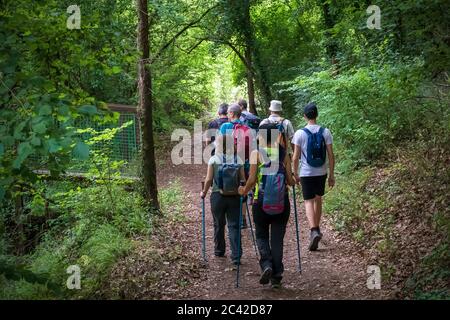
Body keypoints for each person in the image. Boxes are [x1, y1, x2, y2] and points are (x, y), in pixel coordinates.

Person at [238, 123, 296, 289]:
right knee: (277, 240)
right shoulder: (284, 153)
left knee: (262, 236)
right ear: (277, 136)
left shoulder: (257, 153)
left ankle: (267, 265)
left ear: (262, 136)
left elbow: (251, 180)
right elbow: (290, 181)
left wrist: (243, 191)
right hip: (281, 203)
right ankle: (277, 277)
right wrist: (294, 180)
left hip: (260, 202)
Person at [292, 102, 335, 251]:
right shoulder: (325, 132)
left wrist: (295, 173)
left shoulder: (300, 133)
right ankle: (317, 229)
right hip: (321, 172)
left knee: (308, 201)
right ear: (317, 115)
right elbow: (331, 155)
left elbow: (295, 157)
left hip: (306, 173)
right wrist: (331, 175)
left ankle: (314, 230)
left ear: (305, 116)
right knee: (318, 199)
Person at [201, 134, 246, 265]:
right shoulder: (238, 159)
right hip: (234, 197)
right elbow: (243, 179)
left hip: (217, 196)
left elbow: (209, 179)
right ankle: (236, 256)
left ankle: (219, 250)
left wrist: (203, 192)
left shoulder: (214, 159)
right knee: (234, 226)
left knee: (218, 223)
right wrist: (242, 190)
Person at [219, 103, 257, 229]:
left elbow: (219, 146)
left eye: (229, 113)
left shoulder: (225, 126)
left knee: (229, 189)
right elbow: (253, 149)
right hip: (244, 164)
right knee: (243, 189)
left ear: (232, 114)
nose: (228, 115)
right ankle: (243, 218)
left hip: (228, 164)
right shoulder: (248, 129)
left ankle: (232, 218)